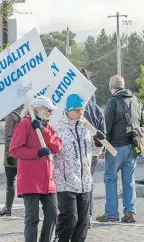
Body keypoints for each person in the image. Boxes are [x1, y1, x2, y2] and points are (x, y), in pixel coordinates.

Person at [52, 94, 106, 242]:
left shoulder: (86, 129)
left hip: (84, 182)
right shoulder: (58, 129)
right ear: (68, 110)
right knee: (70, 218)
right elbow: (51, 152)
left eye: (82, 109)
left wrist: (98, 144)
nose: (80, 113)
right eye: (77, 110)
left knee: (83, 222)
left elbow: (94, 153)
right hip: (65, 181)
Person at [9, 96, 62, 242]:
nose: (51, 112)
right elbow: (14, 150)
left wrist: (43, 130)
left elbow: (57, 146)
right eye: (48, 109)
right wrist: (36, 153)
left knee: (52, 215)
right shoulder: (24, 124)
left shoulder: (46, 126)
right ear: (39, 109)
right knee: (32, 218)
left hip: (47, 180)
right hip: (30, 179)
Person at [96, 75, 144, 224]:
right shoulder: (136, 101)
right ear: (123, 85)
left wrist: (103, 148)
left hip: (115, 146)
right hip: (132, 145)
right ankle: (129, 212)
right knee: (128, 179)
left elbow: (107, 128)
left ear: (111, 87)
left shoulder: (112, 102)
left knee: (110, 179)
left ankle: (111, 214)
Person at [80, 68, 106, 223]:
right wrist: (101, 149)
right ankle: (88, 214)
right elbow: (103, 133)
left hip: (81, 150)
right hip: (95, 152)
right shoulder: (97, 109)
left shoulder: (76, 109)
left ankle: (82, 215)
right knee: (89, 181)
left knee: (80, 183)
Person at [0, 105, 23, 216]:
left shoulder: (11, 116)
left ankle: (8, 207)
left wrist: (9, 155)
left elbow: (8, 137)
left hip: (13, 153)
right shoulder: (27, 114)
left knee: (10, 181)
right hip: (25, 154)